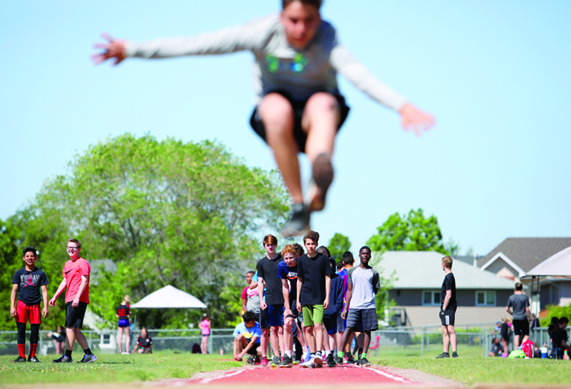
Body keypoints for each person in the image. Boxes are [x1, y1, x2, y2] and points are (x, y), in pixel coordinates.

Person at [92, 0, 435, 237]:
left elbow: (360, 75)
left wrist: (402, 105)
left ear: (320, 17)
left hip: (320, 118)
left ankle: (320, 170)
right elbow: (197, 44)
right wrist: (132, 49)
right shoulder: (261, 32)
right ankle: (301, 203)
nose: (301, 29)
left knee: (323, 102)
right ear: (281, 14)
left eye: (310, 21)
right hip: (276, 122)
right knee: (274, 106)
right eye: (294, 20)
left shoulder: (328, 38)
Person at [49, 239, 96, 363]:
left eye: (74, 247)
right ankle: (89, 355)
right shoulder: (67, 264)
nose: (71, 249)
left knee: (69, 327)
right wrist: (55, 296)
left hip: (77, 299)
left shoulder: (83, 262)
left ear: (79, 249)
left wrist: (77, 297)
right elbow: (64, 281)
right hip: (70, 298)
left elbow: (84, 280)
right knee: (74, 328)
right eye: (69, 247)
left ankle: (67, 356)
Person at [338, 246, 379, 367]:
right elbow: (349, 290)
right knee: (348, 329)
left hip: (369, 306)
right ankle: (340, 355)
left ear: (370, 256)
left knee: (367, 331)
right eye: (363, 253)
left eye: (367, 253)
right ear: (359, 255)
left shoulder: (374, 272)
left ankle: (363, 357)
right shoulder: (352, 271)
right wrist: (346, 308)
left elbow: (375, 290)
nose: (365, 255)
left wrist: (367, 296)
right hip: (355, 306)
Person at [297, 230, 333, 368]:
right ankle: (311, 355)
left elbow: (327, 278)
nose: (310, 246)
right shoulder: (301, 260)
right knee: (307, 327)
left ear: (316, 244)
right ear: (305, 245)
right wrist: (299, 299)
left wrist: (327, 297)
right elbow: (299, 280)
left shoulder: (323, 259)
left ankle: (319, 353)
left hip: (319, 297)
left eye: (312, 244)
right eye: (308, 244)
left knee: (318, 325)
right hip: (305, 297)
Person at [10, 246, 48, 363]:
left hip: (35, 305)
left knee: (34, 331)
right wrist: (12, 306)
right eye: (27, 256)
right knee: (21, 330)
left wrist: (46, 306)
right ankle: (22, 356)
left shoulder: (41, 273)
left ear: (35, 257)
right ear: (23, 258)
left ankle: (32, 356)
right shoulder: (19, 273)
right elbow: (14, 290)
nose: (30, 258)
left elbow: (44, 291)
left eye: (32, 256)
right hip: (21, 304)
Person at [256, 234, 286, 367]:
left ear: (276, 245)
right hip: (269, 299)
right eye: (268, 245)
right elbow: (260, 282)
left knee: (283, 329)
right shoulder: (261, 263)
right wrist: (261, 300)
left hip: (283, 298)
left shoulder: (282, 260)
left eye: (272, 244)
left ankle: (286, 354)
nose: (270, 247)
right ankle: (276, 356)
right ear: (264, 246)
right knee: (273, 328)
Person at [277, 243, 305, 367]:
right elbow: (285, 286)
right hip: (292, 297)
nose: (288, 261)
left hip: (306, 295)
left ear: (296, 255)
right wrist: (287, 307)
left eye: (291, 258)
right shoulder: (282, 266)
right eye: (286, 258)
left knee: (306, 326)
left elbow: (301, 281)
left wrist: (300, 300)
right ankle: (288, 355)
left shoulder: (302, 264)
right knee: (287, 323)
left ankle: (309, 352)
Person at [322, 257, 344, 367]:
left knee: (331, 333)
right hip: (320, 310)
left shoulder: (337, 278)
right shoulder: (320, 277)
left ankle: (330, 353)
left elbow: (341, 295)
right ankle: (322, 353)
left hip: (333, 311)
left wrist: (337, 308)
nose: (329, 266)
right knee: (320, 332)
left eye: (330, 264)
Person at [435, 256, 458, 359]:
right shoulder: (448, 276)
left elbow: (448, 294)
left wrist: (443, 308)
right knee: (444, 329)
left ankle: (454, 353)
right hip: (446, 307)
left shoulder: (449, 277)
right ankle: (445, 353)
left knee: (450, 329)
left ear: (443, 265)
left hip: (449, 307)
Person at [506, 282, 530, 349]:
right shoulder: (525, 297)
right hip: (523, 318)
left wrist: (512, 313)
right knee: (526, 335)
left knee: (517, 335)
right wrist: (528, 318)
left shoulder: (511, 297)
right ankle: (522, 348)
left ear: (515, 288)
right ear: (522, 288)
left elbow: (507, 308)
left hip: (515, 318)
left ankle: (516, 350)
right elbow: (527, 309)